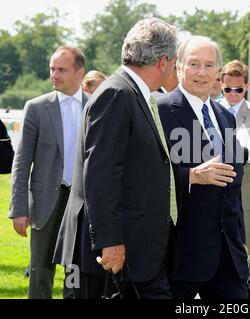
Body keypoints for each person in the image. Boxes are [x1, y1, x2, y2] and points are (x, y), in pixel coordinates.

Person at [53, 18, 180, 299]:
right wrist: (110, 242)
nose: (175, 68)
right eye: (175, 62)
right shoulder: (117, 93)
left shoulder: (132, 93)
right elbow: (100, 174)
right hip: (112, 256)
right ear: (163, 61)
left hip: (136, 250)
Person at [157, 36, 250, 299]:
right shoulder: (159, 110)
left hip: (228, 257)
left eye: (209, 65)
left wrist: (238, 237)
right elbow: (144, 175)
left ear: (219, 72)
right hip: (179, 256)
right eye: (194, 64)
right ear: (178, 67)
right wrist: (191, 176)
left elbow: (233, 183)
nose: (201, 72)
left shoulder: (225, 117)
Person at [9, 46, 88, 299]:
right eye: (52, 69)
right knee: (40, 272)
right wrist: (19, 208)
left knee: (75, 271)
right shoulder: (36, 107)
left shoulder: (96, 106)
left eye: (62, 70)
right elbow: (21, 163)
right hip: (45, 204)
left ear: (80, 73)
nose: (54, 75)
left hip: (82, 203)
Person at [218, 60, 250, 256]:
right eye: (228, 89)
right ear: (221, 85)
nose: (232, 94)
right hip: (214, 182)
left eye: (238, 90)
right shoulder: (211, 108)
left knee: (243, 238)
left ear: (247, 86)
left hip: (244, 185)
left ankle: (244, 282)